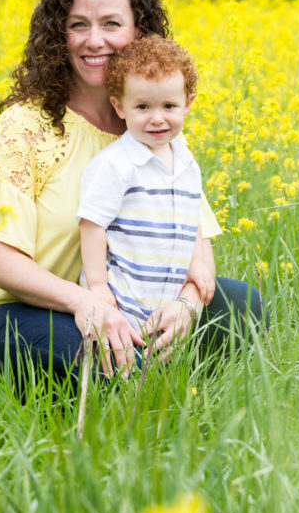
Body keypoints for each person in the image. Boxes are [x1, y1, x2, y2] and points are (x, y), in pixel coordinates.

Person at [0, 0, 266, 385]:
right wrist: (87, 302)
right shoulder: (26, 126)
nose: (94, 41)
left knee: (240, 306)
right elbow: (0, 263)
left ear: (138, 31)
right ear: (58, 35)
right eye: (78, 25)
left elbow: (194, 235)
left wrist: (186, 303)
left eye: (111, 24)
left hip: (110, 306)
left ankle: (174, 390)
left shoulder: (149, 125)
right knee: (98, 357)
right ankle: (141, 402)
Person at [78, 35, 208, 346]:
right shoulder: (116, 164)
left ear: (188, 103)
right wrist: (97, 286)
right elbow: (92, 224)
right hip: (123, 299)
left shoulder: (186, 161)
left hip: (165, 298)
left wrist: (196, 266)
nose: (157, 118)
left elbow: (186, 221)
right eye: (142, 107)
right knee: (122, 364)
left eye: (169, 106)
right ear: (119, 107)